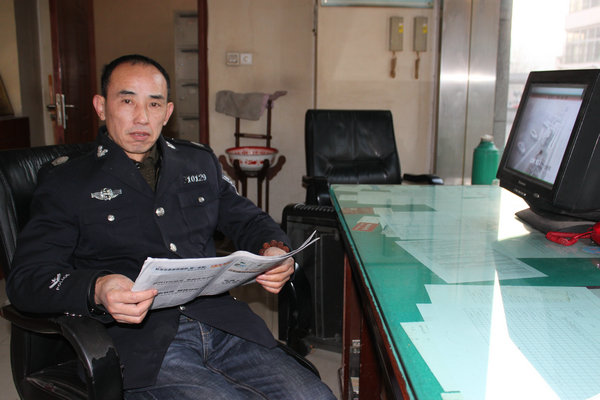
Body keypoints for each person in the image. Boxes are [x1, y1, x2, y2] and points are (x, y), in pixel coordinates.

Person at [6, 54, 335, 400]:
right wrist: (97, 288)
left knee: (316, 396)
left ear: (168, 112)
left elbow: (248, 219)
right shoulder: (67, 181)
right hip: (140, 343)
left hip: (223, 324)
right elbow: (27, 278)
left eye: (154, 104)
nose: (142, 118)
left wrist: (273, 249)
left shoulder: (198, 161)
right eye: (127, 101)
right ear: (101, 107)